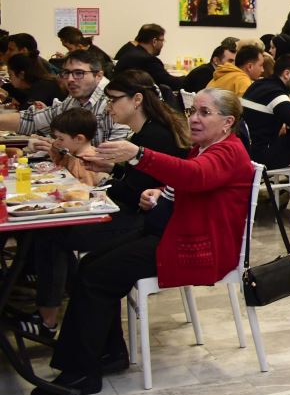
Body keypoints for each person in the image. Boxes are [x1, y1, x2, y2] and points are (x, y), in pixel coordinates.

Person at [41, 88, 254, 395]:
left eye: (204, 113)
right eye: (192, 111)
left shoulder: (229, 151)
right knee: (90, 265)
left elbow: (195, 176)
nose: (194, 119)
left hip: (198, 247)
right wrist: (159, 192)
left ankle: (83, 372)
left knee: (97, 275)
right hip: (174, 233)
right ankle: (107, 353)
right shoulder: (204, 148)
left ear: (227, 122)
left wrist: (139, 155)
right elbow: (185, 182)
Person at [25, 70, 189, 338]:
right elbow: (137, 180)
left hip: (147, 222)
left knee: (52, 235)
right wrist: (110, 169)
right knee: (52, 233)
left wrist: (104, 182)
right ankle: (62, 309)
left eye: (113, 100)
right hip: (139, 213)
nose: (108, 106)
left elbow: (138, 194)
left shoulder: (154, 136)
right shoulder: (146, 132)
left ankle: (48, 318)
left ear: (137, 100)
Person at [0, 49, 129, 145]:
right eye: (66, 73)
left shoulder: (115, 101)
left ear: (98, 76)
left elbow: (115, 158)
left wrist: (59, 149)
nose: (70, 79)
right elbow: (34, 120)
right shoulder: (74, 99)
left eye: (79, 73)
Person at [113, 24, 180, 91]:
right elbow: (170, 83)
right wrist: (186, 79)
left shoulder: (129, 51)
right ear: (154, 41)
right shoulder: (148, 60)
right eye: (162, 40)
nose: (163, 44)